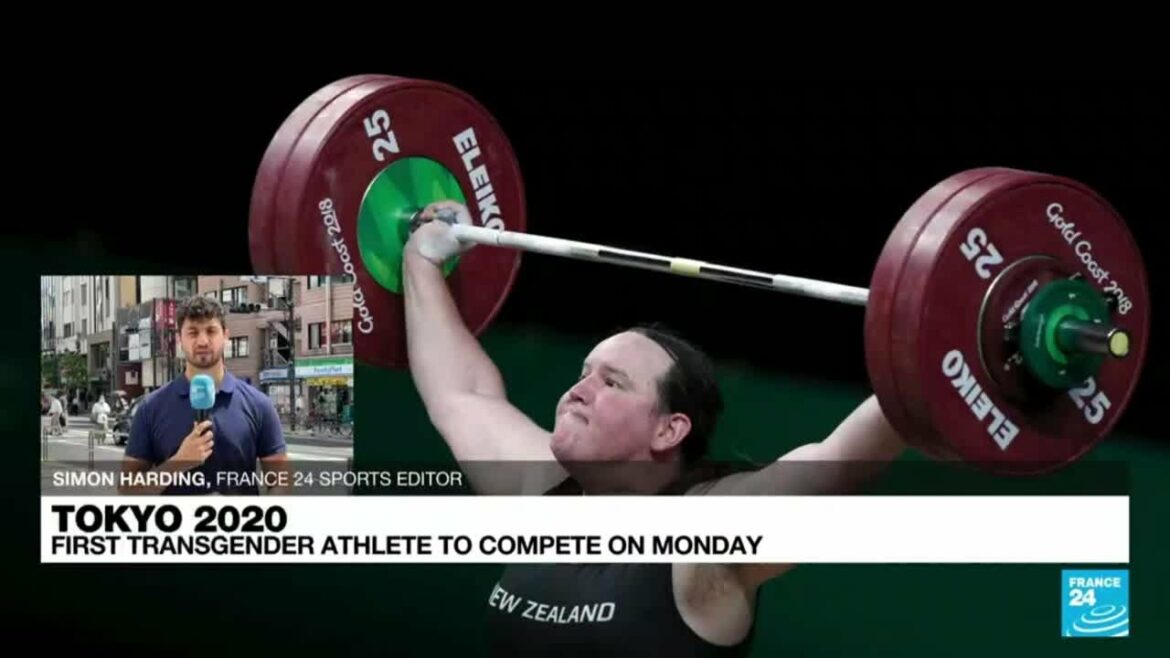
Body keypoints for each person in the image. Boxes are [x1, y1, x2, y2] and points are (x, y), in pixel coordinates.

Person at [403, 202, 909, 657]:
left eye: (613, 383)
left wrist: (934, 361)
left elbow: (830, 467)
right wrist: (423, 256)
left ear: (669, 430)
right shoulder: (541, 492)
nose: (580, 390)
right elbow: (461, 395)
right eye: (583, 373)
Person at [118, 295, 290, 495]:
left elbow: (282, 481)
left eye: (211, 331)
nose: (202, 341)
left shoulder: (259, 405)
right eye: (192, 332)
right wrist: (177, 463)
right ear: (179, 339)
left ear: (226, 336)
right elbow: (127, 489)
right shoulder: (151, 408)